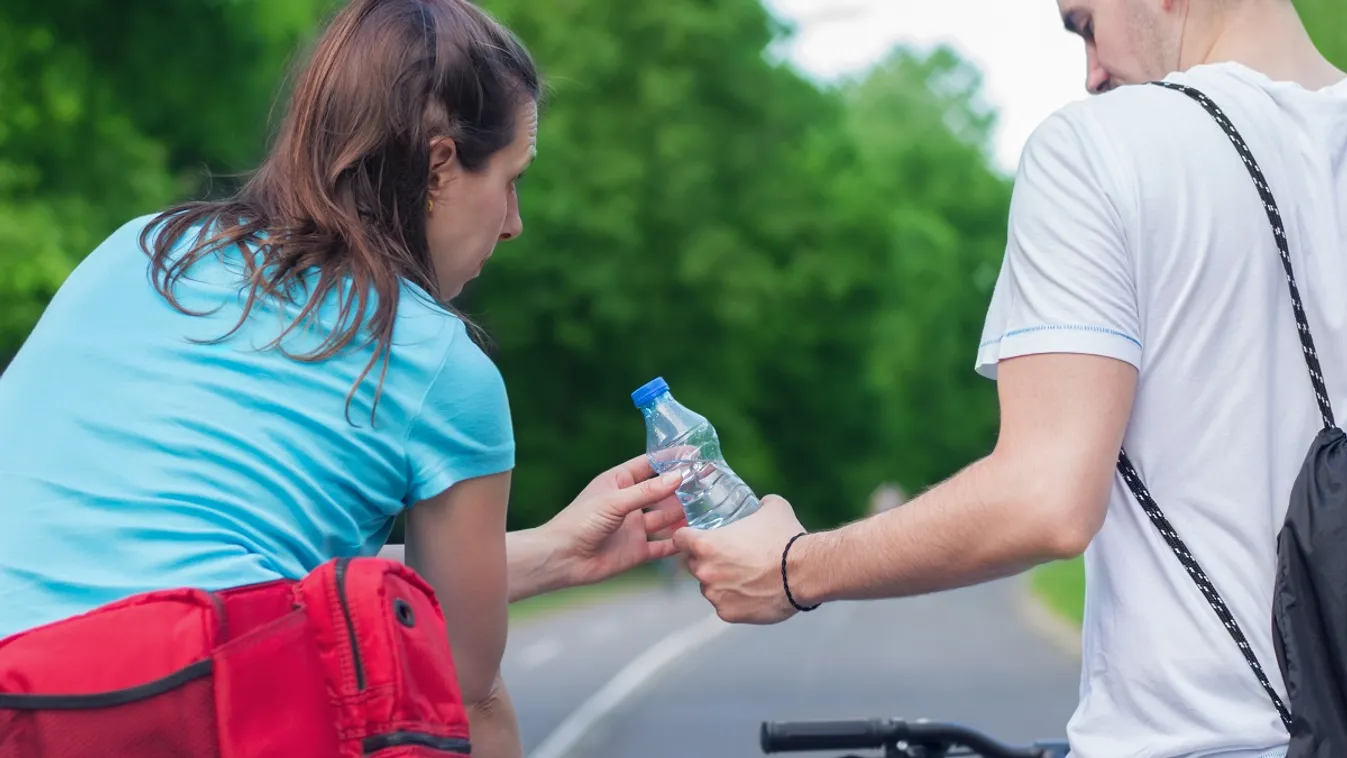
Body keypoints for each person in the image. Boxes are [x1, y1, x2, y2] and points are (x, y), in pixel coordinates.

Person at [0, 0, 683, 756]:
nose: (514, 220)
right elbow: (462, 690)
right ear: (440, 163)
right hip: (196, 711)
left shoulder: (140, 252)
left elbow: (183, 561)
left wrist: (553, 551)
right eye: (511, 178)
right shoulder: (438, 362)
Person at [675, 2, 1346, 757]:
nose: (1091, 73)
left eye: (1083, 22)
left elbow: (1043, 498)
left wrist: (795, 567)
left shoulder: (1101, 148)